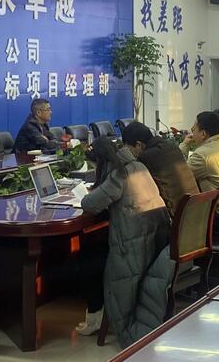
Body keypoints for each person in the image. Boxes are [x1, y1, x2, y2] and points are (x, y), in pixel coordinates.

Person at [78, 137, 172, 346]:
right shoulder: (138, 166)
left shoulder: (118, 175)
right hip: (153, 240)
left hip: (133, 248)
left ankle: (96, 315)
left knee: (86, 259)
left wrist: (93, 190)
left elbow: (89, 204)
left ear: (101, 161)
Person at [123, 121, 200, 210]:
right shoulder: (172, 147)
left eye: (129, 149)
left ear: (138, 145)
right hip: (197, 208)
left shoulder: (146, 157)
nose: (131, 154)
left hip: (177, 214)